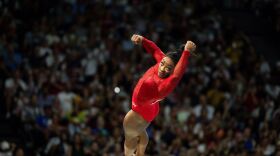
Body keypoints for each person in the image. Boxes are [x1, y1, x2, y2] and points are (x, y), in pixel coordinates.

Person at [123, 34, 196, 156]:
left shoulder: (165, 85)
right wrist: (143, 40)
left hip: (140, 111)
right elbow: (155, 50)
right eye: (162, 64)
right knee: (140, 132)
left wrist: (186, 52)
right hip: (150, 108)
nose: (162, 68)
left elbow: (177, 76)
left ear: (173, 70)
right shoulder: (163, 62)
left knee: (129, 135)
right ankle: (140, 154)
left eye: (168, 68)